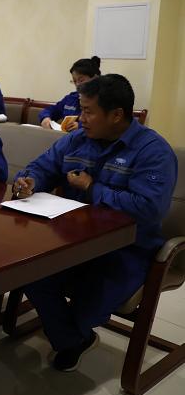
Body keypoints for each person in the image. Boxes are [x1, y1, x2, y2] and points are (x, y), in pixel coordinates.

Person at [13, 74, 177, 372]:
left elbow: (148, 208)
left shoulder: (153, 151)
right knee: (28, 270)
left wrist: (92, 188)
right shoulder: (77, 139)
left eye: (88, 112)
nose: (80, 118)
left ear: (116, 115)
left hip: (126, 249)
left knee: (88, 304)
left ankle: (71, 333)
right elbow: (42, 166)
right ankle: (73, 339)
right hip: (72, 238)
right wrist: (29, 181)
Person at [39, 56, 101, 130]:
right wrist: (45, 118)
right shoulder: (71, 98)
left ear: (95, 78)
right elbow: (50, 110)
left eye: (81, 80)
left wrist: (80, 126)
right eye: (74, 81)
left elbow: (103, 124)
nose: (77, 84)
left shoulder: (102, 100)